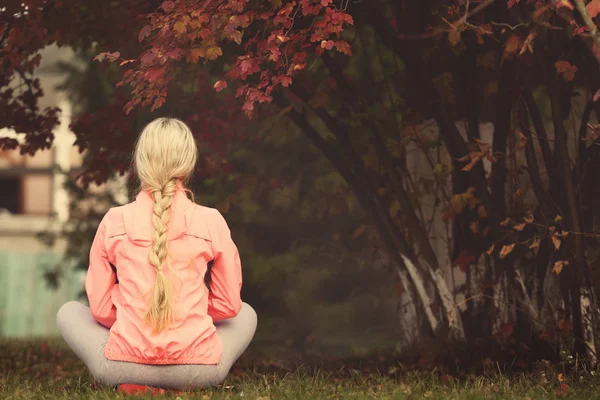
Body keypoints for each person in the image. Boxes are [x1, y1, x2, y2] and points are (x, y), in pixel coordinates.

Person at [56, 117, 257, 390]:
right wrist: (185, 313)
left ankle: (140, 385)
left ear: (140, 162)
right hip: (198, 372)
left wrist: (138, 315)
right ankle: (179, 387)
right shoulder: (212, 220)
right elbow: (229, 304)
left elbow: (100, 310)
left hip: (121, 368)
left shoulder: (114, 220)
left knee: (69, 312)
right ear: (188, 163)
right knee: (246, 312)